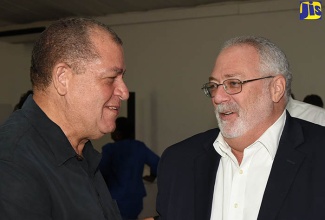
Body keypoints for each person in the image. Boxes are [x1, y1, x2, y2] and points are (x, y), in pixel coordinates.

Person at [156, 36, 325, 220]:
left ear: (276, 88)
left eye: (234, 83)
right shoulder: (179, 162)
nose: (218, 97)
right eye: (214, 86)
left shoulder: (319, 155)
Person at [0, 17, 129, 220]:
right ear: (63, 78)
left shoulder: (81, 151)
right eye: (111, 78)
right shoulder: (12, 164)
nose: (124, 92)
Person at [99, 117, 160, 220]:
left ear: (117, 134)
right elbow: (158, 163)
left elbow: (101, 171)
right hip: (135, 198)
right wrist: (152, 176)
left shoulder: (109, 149)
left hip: (115, 198)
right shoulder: (139, 146)